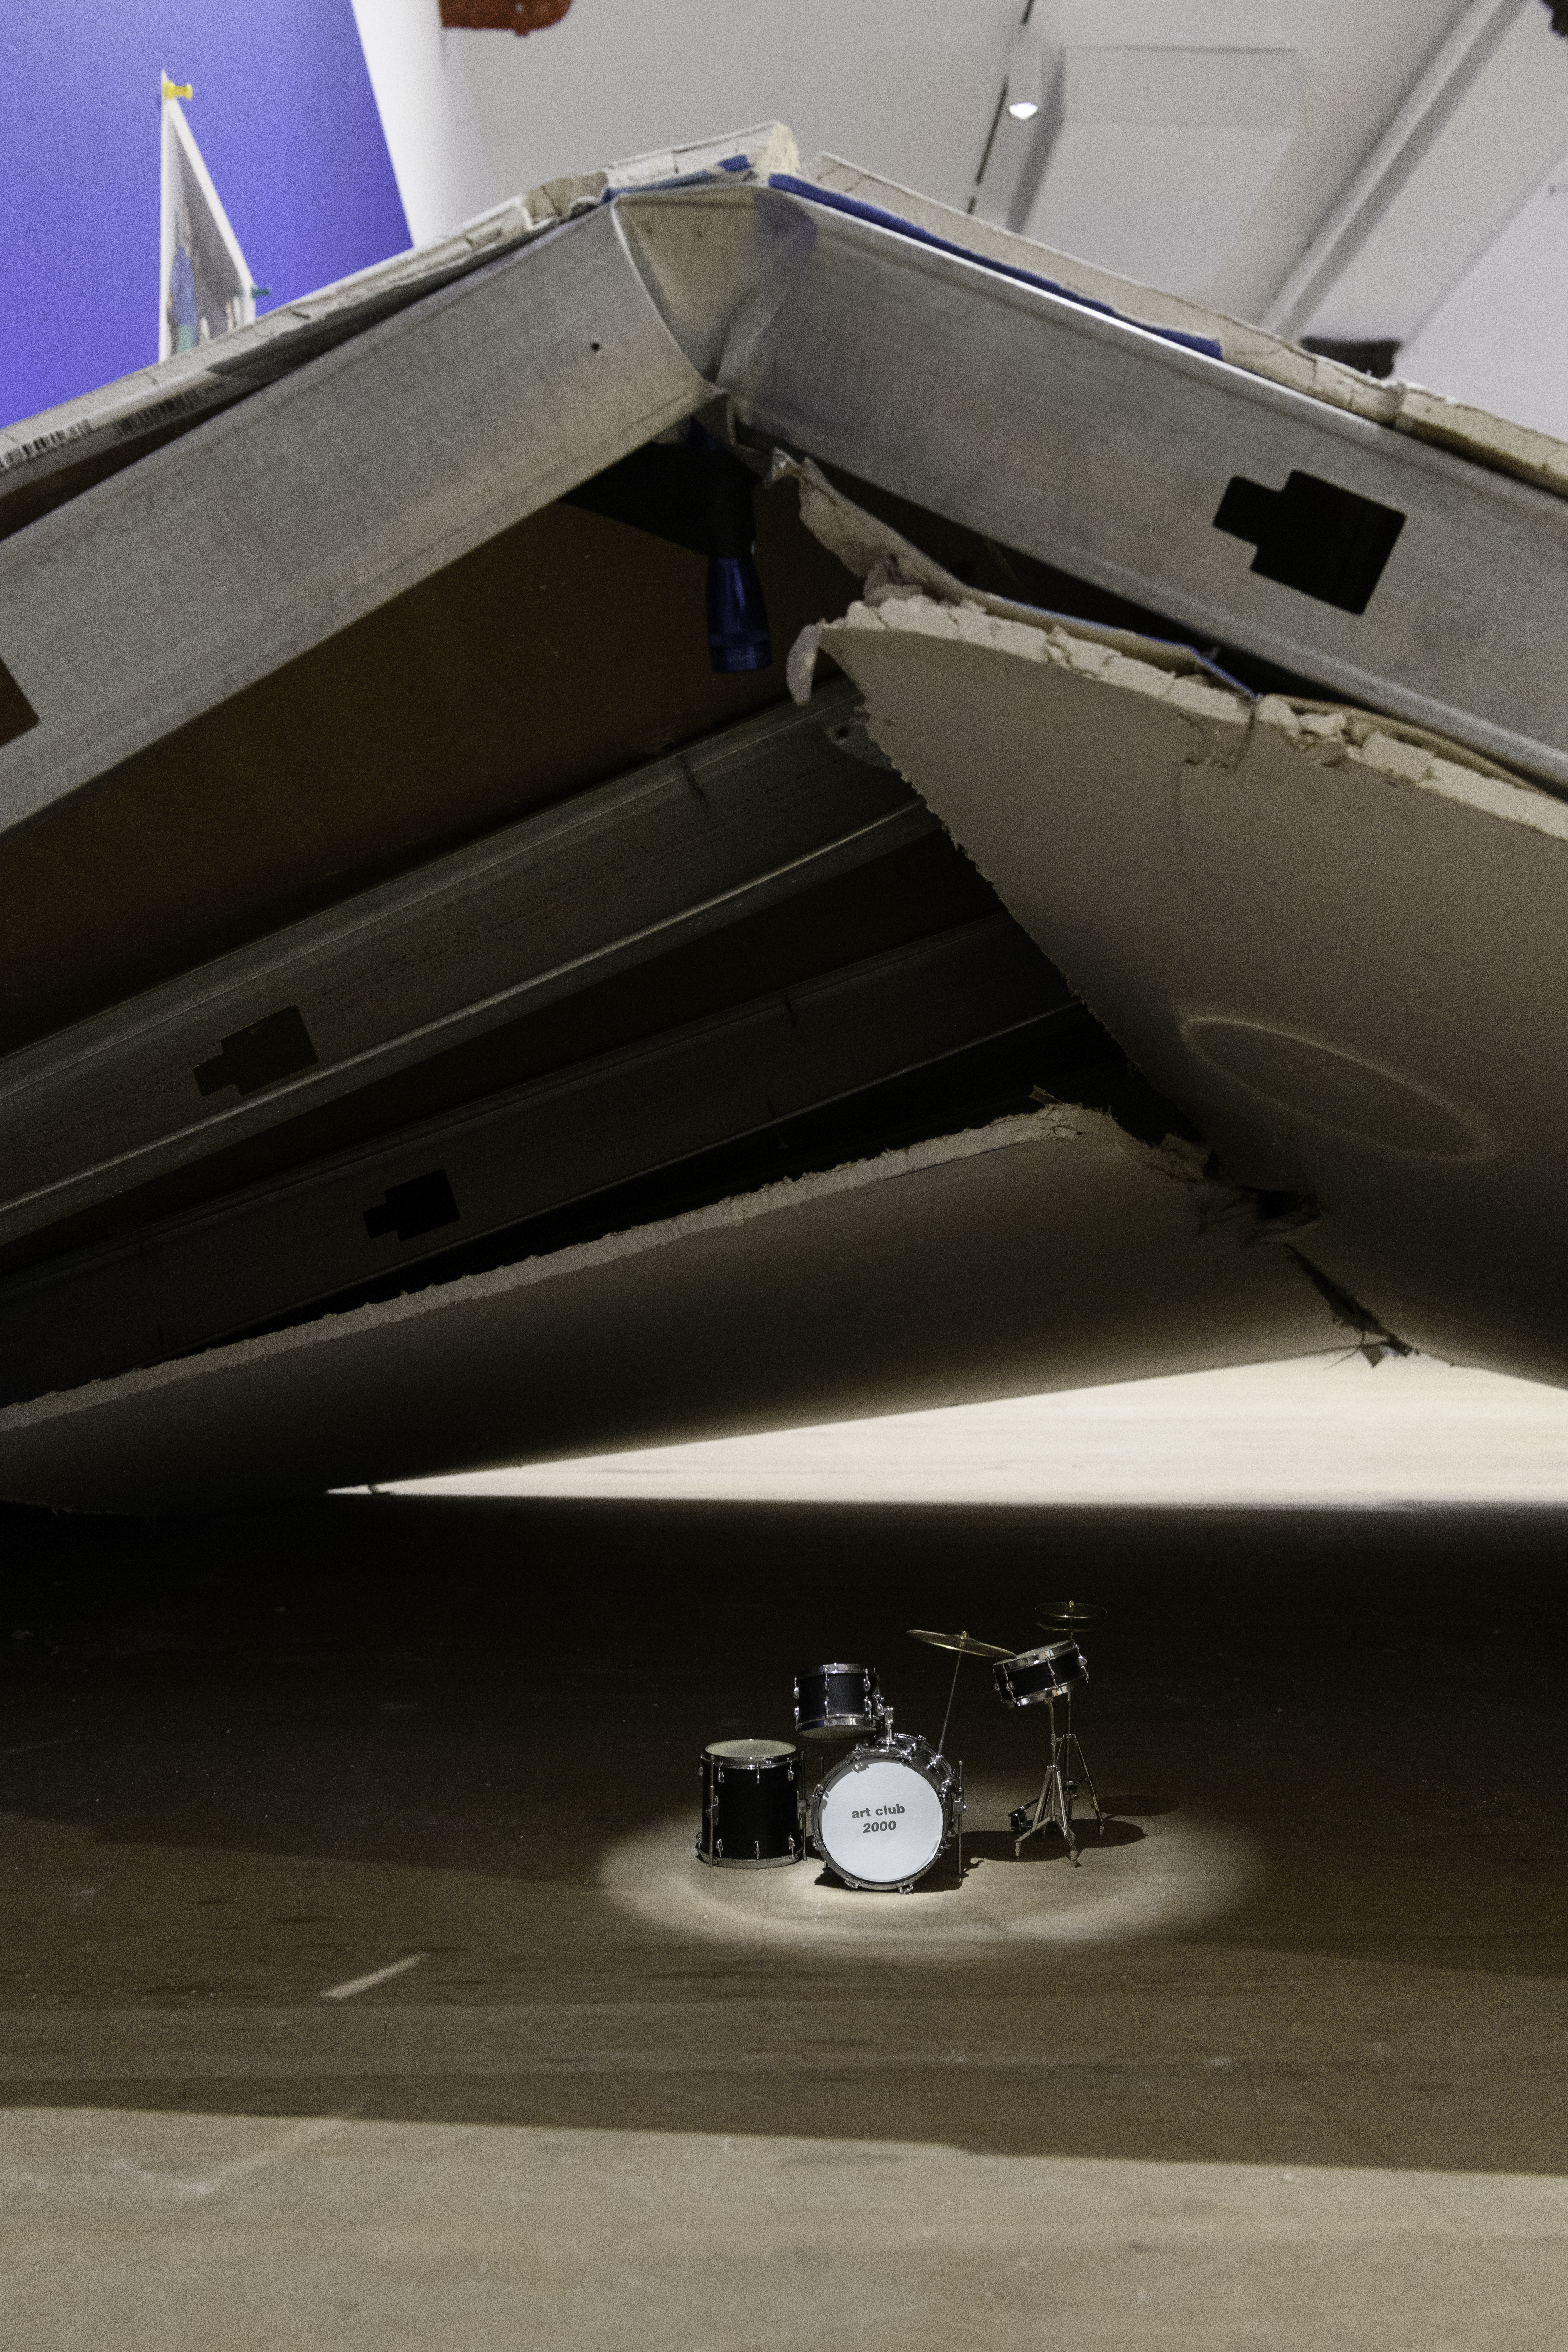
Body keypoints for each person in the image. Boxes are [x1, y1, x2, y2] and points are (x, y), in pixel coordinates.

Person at [167, 204, 198, 354]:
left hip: (186, 320)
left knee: (181, 354)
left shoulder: (184, 262)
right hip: (186, 318)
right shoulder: (184, 263)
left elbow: (189, 241)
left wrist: (186, 217)